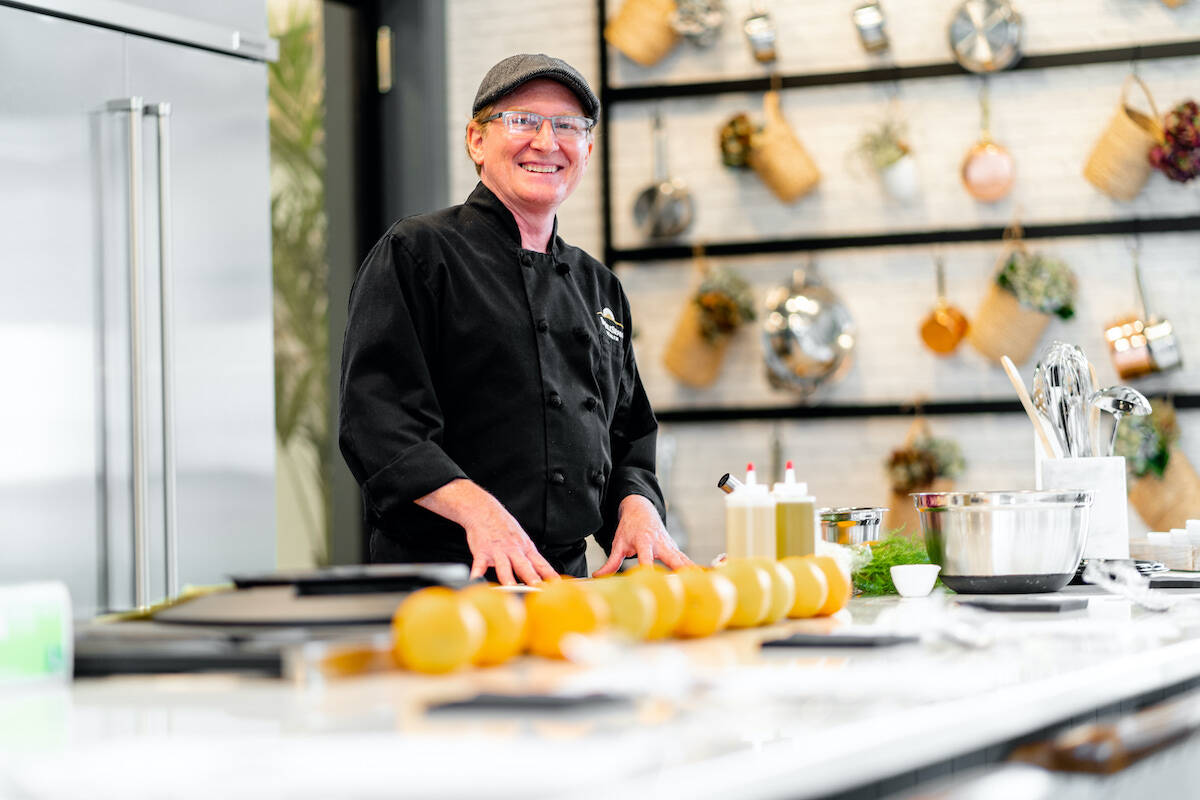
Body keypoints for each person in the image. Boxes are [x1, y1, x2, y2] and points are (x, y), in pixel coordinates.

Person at [338, 53, 692, 584]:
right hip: (442, 583)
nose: (547, 142)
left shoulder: (600, 286)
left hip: (566, 587)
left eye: (568, 126)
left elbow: (628, 435)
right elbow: (379, 423)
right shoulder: (418, 253)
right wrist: (482, 514)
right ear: (476, 141)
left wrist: (637, 505)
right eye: (523, 120)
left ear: (587, 149)